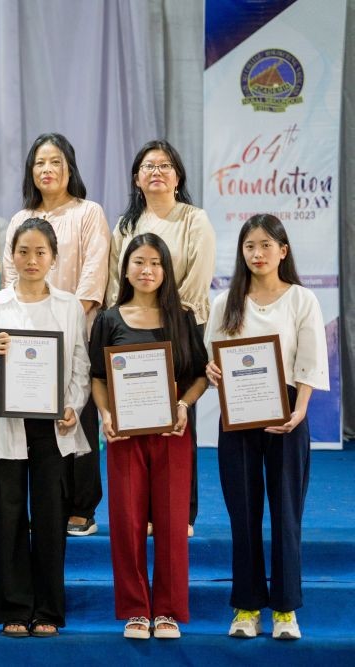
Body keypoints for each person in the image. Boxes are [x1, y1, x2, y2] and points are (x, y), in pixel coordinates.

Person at [205, 215, 328, 641]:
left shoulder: (301, 299)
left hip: (287, 415)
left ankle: (285, 611)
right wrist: (214, 372)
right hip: (237, 417)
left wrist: (300, 412)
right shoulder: (225, 302)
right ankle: (246, 607)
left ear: (283, 250)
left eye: (265, 245)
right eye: (249, 246)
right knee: (244, 514)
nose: (257, 254)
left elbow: (310, 361)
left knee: (286, 515)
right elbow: (214, 359)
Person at [0, 219, 91, 637]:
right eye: (23, 251)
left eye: (41, 252)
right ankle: (14, 609)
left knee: (50, 518)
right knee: (6, 517)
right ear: (12, 256)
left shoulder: (69, 305)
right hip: (6, 425)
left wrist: (73, 406)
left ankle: (49, 610)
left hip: (52, 427)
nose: (32, 260)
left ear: (54, 258)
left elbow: (79, 364)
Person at [90, 233, 208, 640]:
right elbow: (97, 377)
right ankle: (137, 610)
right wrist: (106, 413)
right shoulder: (110, 319)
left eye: (156, 263)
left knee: (174, 523)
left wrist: (184, 406)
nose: (147, 270)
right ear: (125, 268)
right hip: (124, 436)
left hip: (172, 431)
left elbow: (198, 376)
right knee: (126, 521)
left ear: (166, 270)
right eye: (139, 262)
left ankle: (170, 610)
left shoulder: (184, 317)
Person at [2, 133, 110, 537]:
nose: (47, 170)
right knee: (37, 422)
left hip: (76, 331)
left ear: (69, 169)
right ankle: (45, 503)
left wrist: (63, 326)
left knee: (77, 415)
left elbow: (93, 275)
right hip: (27, 339)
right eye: (39, 163)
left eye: (55, 162)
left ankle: (82, 505)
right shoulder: (19, 218)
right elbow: (11, 276)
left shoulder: (88, 212)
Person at [106, 139, 215, 535]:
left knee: (178, 421)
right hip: (131, 328)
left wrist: (168, 317)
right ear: (136, 178)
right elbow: (113, 280)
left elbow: (198, 278)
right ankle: (144, 510)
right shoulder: (125, 225)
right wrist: (117, 320)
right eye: (148, 166)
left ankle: (181, 511)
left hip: (181, 326)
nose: (156, 172)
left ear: (178, 176)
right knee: (137, 423)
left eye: (165, 165)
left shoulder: (193, 219)